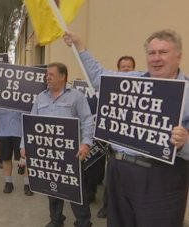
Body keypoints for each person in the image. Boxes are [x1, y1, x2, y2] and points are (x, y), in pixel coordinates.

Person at [64, 29, 189, 227]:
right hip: (119, 172)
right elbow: (98, 77)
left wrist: (185, 143)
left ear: (179, 56)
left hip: (161, 177)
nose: (156, 58)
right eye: (152, 52)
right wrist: (79, 45)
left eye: (163, 52)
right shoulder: (131, 80)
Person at [22, 62, 94, 227]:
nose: (47, 77)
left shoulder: (77, 96)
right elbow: (31, 122)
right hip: (47, 153)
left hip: (72, 154)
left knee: (76, 190)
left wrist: (86, 144)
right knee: (52, 189)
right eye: (47, 75)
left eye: (51, 75)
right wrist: (24, 145)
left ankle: (83, 222)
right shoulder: (41, 97)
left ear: (63, 77)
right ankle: (56, 220)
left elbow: (88, 121)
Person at [96, 55, 136, 219]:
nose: (126, 70)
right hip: (114, 147)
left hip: (133, 150)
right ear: (118, 70)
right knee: (110, 181)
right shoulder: (111, 89)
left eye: (129, 67)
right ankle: (107, 207)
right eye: (123, 67)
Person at [0, 108, 33, 196]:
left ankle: (27, 184)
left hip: (19, 132)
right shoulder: (0, 98)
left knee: (25, 159)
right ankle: (8, 183)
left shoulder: (23, 96)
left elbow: (29, 112)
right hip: (3, 132)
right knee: (6, 158)